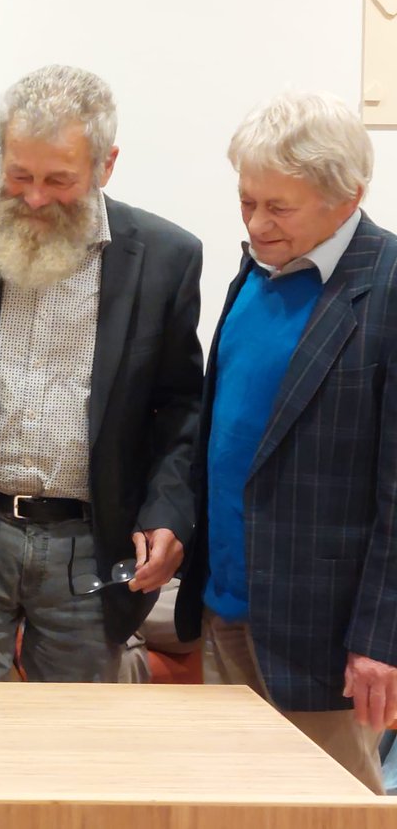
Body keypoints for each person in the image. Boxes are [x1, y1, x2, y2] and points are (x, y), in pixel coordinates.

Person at [0, 64, 203, 683]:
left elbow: (181, 409)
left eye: (59, 180)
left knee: (71, 732)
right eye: (19, 174)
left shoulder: (166, 256)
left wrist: (168, 513)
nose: (33, 197)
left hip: (92, 542)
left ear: (106, 165)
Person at [175, 91, 397, 793]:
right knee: (235, 804)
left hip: (326, 634)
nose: (256, 224)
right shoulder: (254, 274)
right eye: (247, 201)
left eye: (279, 207)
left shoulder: (388, 287)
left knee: (328, 809)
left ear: (347, 196)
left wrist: (381, 638)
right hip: (227, 607)